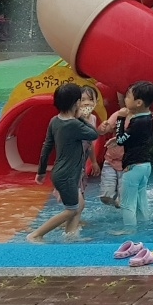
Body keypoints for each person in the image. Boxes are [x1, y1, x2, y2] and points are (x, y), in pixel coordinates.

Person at [28, 83, 99, 242]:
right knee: (71, 210)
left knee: (79, 205)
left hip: (61, 172)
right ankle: (36, 234)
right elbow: (93, 134)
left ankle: (70, 236)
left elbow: (47, 146)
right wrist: (81, 117)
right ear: (76, 103)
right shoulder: (73, 124)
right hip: (68, 175)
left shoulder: (55, 120)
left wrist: (41, 171)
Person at [116, 81, 153, 230]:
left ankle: (129, 231)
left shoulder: (137, 121)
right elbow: (135, 137)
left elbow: (120, 140)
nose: (125, 99)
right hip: (145, 165)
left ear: (138, 102)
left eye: (128, 96)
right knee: (141, 201)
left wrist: (120, 119)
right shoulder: (149, 117)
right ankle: (144, 227)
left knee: (127, 203)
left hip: (134, 166)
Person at [95, 103, 129, 208]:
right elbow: (102, 131)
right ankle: (117, 201)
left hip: (128, 164)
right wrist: (102, 128)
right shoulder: (119, 114)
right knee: (105, 197)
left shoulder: (144, 119)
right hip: (111, 161)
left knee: (124, 199)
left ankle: (121, 201)